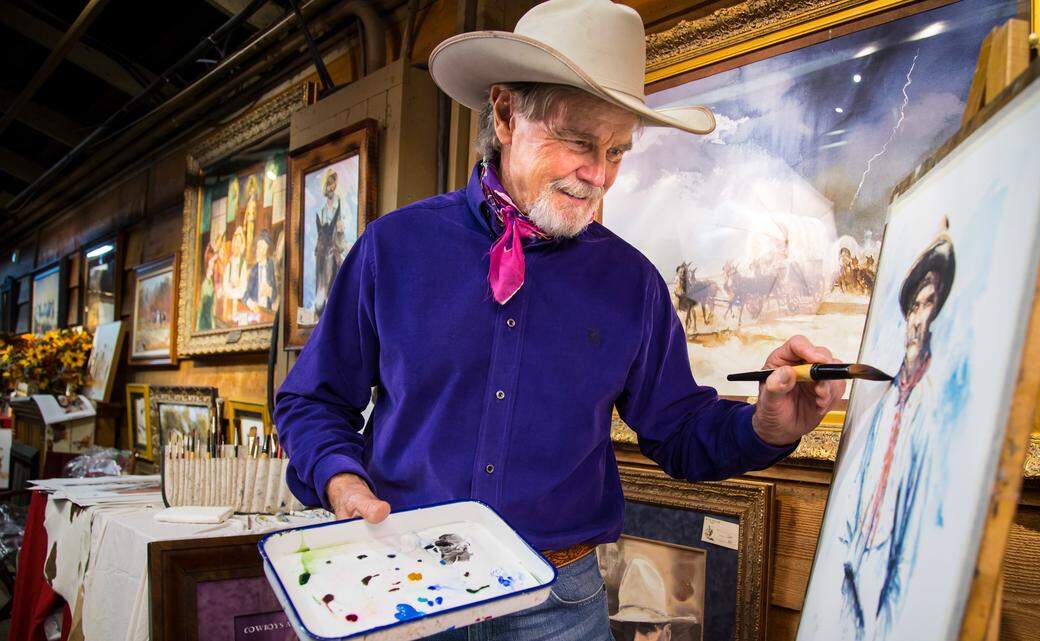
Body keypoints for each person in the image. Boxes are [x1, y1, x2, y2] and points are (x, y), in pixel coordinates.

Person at [274, 1, 844, 638]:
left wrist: (765, 427)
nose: (599, 175)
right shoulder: (393, 249)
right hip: (403, 582)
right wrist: (340, 479)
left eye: (616, 151)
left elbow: (680, 431)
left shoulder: (633, 285)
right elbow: (313, 400)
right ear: (506, 114)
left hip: (557, 608)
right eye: (577, 142)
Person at [838, 226, 956, 638]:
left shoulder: (932, 402)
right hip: (852, 571)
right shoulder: (880, 396)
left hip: (895, 580)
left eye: (930, 304)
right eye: (916, 304)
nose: (920, 316)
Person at [313, 167, 347, 316]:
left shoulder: (342, 206)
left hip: (337, 247)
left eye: (333, 183)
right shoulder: (321, 211)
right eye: (328, 184)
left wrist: (341, 230)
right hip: (323, 246)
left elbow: (345, 229)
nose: (330, 187)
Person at [244, 230, 278, 317]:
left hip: (267, 313)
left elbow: (275, 295)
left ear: (266, 250)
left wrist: (270, 292)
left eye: (261, 248)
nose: (258, 251)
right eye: (258, 247)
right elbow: (246, 295)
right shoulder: (254, 270)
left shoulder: (271, 266)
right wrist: (252, 304)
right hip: (255, 313)